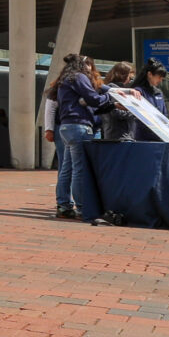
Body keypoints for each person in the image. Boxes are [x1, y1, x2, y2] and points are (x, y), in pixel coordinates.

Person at [45, 52, 104, 218]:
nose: (88, 68)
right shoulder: (78, 78)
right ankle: (82, 207)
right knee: (79, 169)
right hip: (78, 126)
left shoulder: (64, 79)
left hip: (66, 127)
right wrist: (109, 98)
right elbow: (94, 98)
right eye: (87, 65)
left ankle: (63, 205)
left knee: (67, 168)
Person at [98, 63, 140, 142]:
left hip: (125, 135)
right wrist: (136, 112)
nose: (129, 81)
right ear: (123, 76)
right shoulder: (113, 89)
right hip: (117, 136)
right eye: (130, 78)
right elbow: (116, 112)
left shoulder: (121, 89)